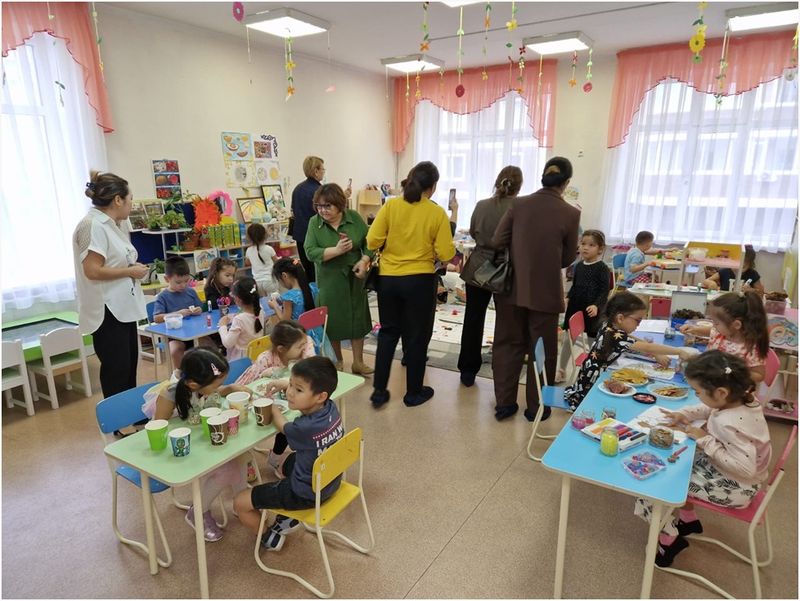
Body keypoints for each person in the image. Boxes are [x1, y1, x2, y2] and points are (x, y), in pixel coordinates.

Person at [635, 351, 772, 567]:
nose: (696, 395)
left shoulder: (730, 422)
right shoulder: (740, 401)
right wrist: (685, 414)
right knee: (680, 464)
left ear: (721, 392)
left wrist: (705, 439)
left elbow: (745, 468)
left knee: (653, 485)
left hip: (736, 488)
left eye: (697, 392)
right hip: (736, 477)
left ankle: (669, 540)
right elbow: (710, 409)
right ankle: (688, 521)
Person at [490, 157, 581, 421]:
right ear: (566, 183)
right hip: (546, 292)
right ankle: (537, 408)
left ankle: (504, 404)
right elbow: (566, 259)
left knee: (507, 345)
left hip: (511, 289)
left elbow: (498, 240)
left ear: (542, 176)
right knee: (543, 351)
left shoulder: (518, 204)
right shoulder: (571, 213)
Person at [366, 161, 455, 408]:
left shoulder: (391, 205)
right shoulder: (436, 213)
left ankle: (379, 392)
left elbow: (372, 241)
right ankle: (413, 393)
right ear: (433, 187)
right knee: (416, 336)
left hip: (389, 280)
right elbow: (446, 253)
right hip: (420, 281)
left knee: (388, 333)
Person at [142, 348, 253, 542]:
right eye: (217, 384)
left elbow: (214, 391)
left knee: (241, 455)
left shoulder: (201, 385)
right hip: (178, 451)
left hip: (201, 443)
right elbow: (158, 428)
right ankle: (198, 511)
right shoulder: (170, 395)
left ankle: (240, 502)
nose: (219, 387)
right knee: (227, 469)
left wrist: (231, 388)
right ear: (194, 384)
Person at [234, 356, 344, 552]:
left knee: (240, 503)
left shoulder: (304, 427)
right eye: (291, 385)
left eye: (298, 389)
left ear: (320, 396)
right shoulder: (330, 408)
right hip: (329, 481)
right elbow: (305, 393)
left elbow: (283, 427)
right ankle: (287, 516)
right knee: (286, 462)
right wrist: (285, 384)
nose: (290, 392)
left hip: (305, 493)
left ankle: (269, 536)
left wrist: (272, 407)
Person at [72, 171, 148, 399]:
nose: (131, 204)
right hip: (107, 312)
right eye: (130, 199)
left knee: (128, 367)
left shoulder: (110, 225)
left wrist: (131, 268)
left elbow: (112, 261)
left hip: (122, 309)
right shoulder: (92, 225)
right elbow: (92, 270)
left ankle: (131, 412)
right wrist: (130, 271)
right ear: (117, 200)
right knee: (117, 371)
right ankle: (118, 417)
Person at [564, 292, 693, 410]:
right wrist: (679, 351)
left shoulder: (609, 325)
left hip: (588, 375)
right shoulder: (615, 336)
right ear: (620, 318)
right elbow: (646, 347)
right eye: (638, 320)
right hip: (591, 384)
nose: (638, 325)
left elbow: (631, 339)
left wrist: (655, 353)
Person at [457, 166, 523, 387]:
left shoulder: (482, 205)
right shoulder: (521, 208)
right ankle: (501, 369)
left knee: (473, 318)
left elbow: (473, 231)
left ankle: (467, 370)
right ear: (519, 186)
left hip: (479, 266)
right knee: (505, 322)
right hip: (506, 268)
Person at [303, 183, 374, 375]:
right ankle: (337, 361)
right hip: (329, 281)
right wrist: (336, 250)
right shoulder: (314, 223)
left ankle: (358, 362)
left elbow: (370, 243)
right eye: (319, 206)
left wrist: (364, 260)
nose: (322, 210)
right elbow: (310, 251)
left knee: (357, 320)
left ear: (339, 204)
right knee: (332, 321)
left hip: (354, 277)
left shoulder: (354, 218)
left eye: (327, 206)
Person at [236, 320, 317, 478]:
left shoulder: (303, 346)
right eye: (299, 346)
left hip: (285, 401)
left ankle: (275, 455)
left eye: (304, 344)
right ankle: (245, 459)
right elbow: (254, 387)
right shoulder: (265, 359)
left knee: (291, 422)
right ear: (281, 349)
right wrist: (271, 373)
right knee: (263, 425)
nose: (304, 347)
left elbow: (312, 366)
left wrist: (303, 345)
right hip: (253, 399)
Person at [555, 229, 611, 383]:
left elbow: (604, 291)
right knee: (568, 340)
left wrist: (596, 306)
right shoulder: (578, 266)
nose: (585, 247)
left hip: (592, 311)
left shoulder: (602, 268)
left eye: (591, 245)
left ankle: (590, 370)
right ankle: (561, 370)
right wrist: (567, 298)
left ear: (600, 249)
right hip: (575, 307)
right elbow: (575, 286)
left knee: (592, 342)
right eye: (583, 243)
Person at [679, 291, 769, 383]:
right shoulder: (721, 333)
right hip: (710, 382)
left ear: (736, 325)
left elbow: (759, 375)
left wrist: (735, 371)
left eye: (716, 323)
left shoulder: (750, 348)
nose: (714, 326)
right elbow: (710, 331)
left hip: (731, 389)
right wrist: (694, 329)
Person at [291, 157, 351, 281]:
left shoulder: (297, 189)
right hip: (317, 237)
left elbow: (294, 212)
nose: (324, 172)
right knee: (321, 273)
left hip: (300, 237)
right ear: (316, 171)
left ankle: (310, 293)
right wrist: (343, 198)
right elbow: (329, 213)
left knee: (308, 273)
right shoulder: (319, 192)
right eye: (323, 169)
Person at [153, 256, 203, 367]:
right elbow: (156, 318)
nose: (183, 285)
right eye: (178, 282)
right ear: (167, 279)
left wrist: (198, 310)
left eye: (186, 281)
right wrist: (177, 314)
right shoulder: (163, 297)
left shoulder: (190, 292)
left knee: (210, 346)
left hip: (195, 332)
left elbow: (200, 308)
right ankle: (180, 373)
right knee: (175, 350)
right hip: (174, 336)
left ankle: (207, 374)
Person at [218, 276, 265, 361]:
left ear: (237, 299)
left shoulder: (239, 319)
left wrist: (223, 326)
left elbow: (228, 343)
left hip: (241, 360)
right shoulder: (260, 309)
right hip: (257, 354)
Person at [245, 223, 278, 296]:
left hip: (257, 282)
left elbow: (247, 263)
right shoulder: (269, 249)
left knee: (262, 300)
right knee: (274, 299)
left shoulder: (249, 250)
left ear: (249, 238)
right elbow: (276, 262)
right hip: (270, 280)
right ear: (265, 235)